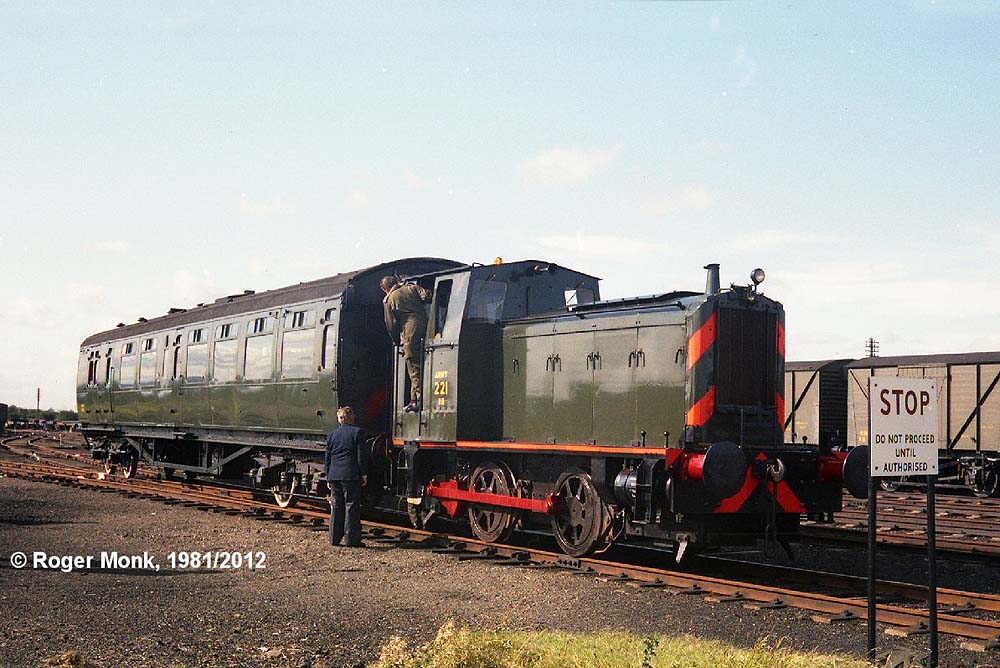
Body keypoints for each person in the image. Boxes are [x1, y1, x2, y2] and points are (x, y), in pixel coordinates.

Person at [381, 276, 430, 412]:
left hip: (410, 330)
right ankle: (414, 399)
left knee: (413, 366)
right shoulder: (412, 288)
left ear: (385, 289)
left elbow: (390, 324)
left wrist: (396, 340)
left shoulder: (389, 299)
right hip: (426, 325)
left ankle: (419, 400)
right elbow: (426, 296)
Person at [324, 406, 369, 547]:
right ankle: (351, 540)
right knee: (351, 506)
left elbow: (328, 458)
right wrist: (364, 474)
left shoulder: (332, 435)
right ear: (352, 418)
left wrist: (328, 476)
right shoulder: (357, 432)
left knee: (337, 506)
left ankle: (334, 539)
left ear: (339, 419)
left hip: (335, 475)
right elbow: (361, 457)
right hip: (350, 475)